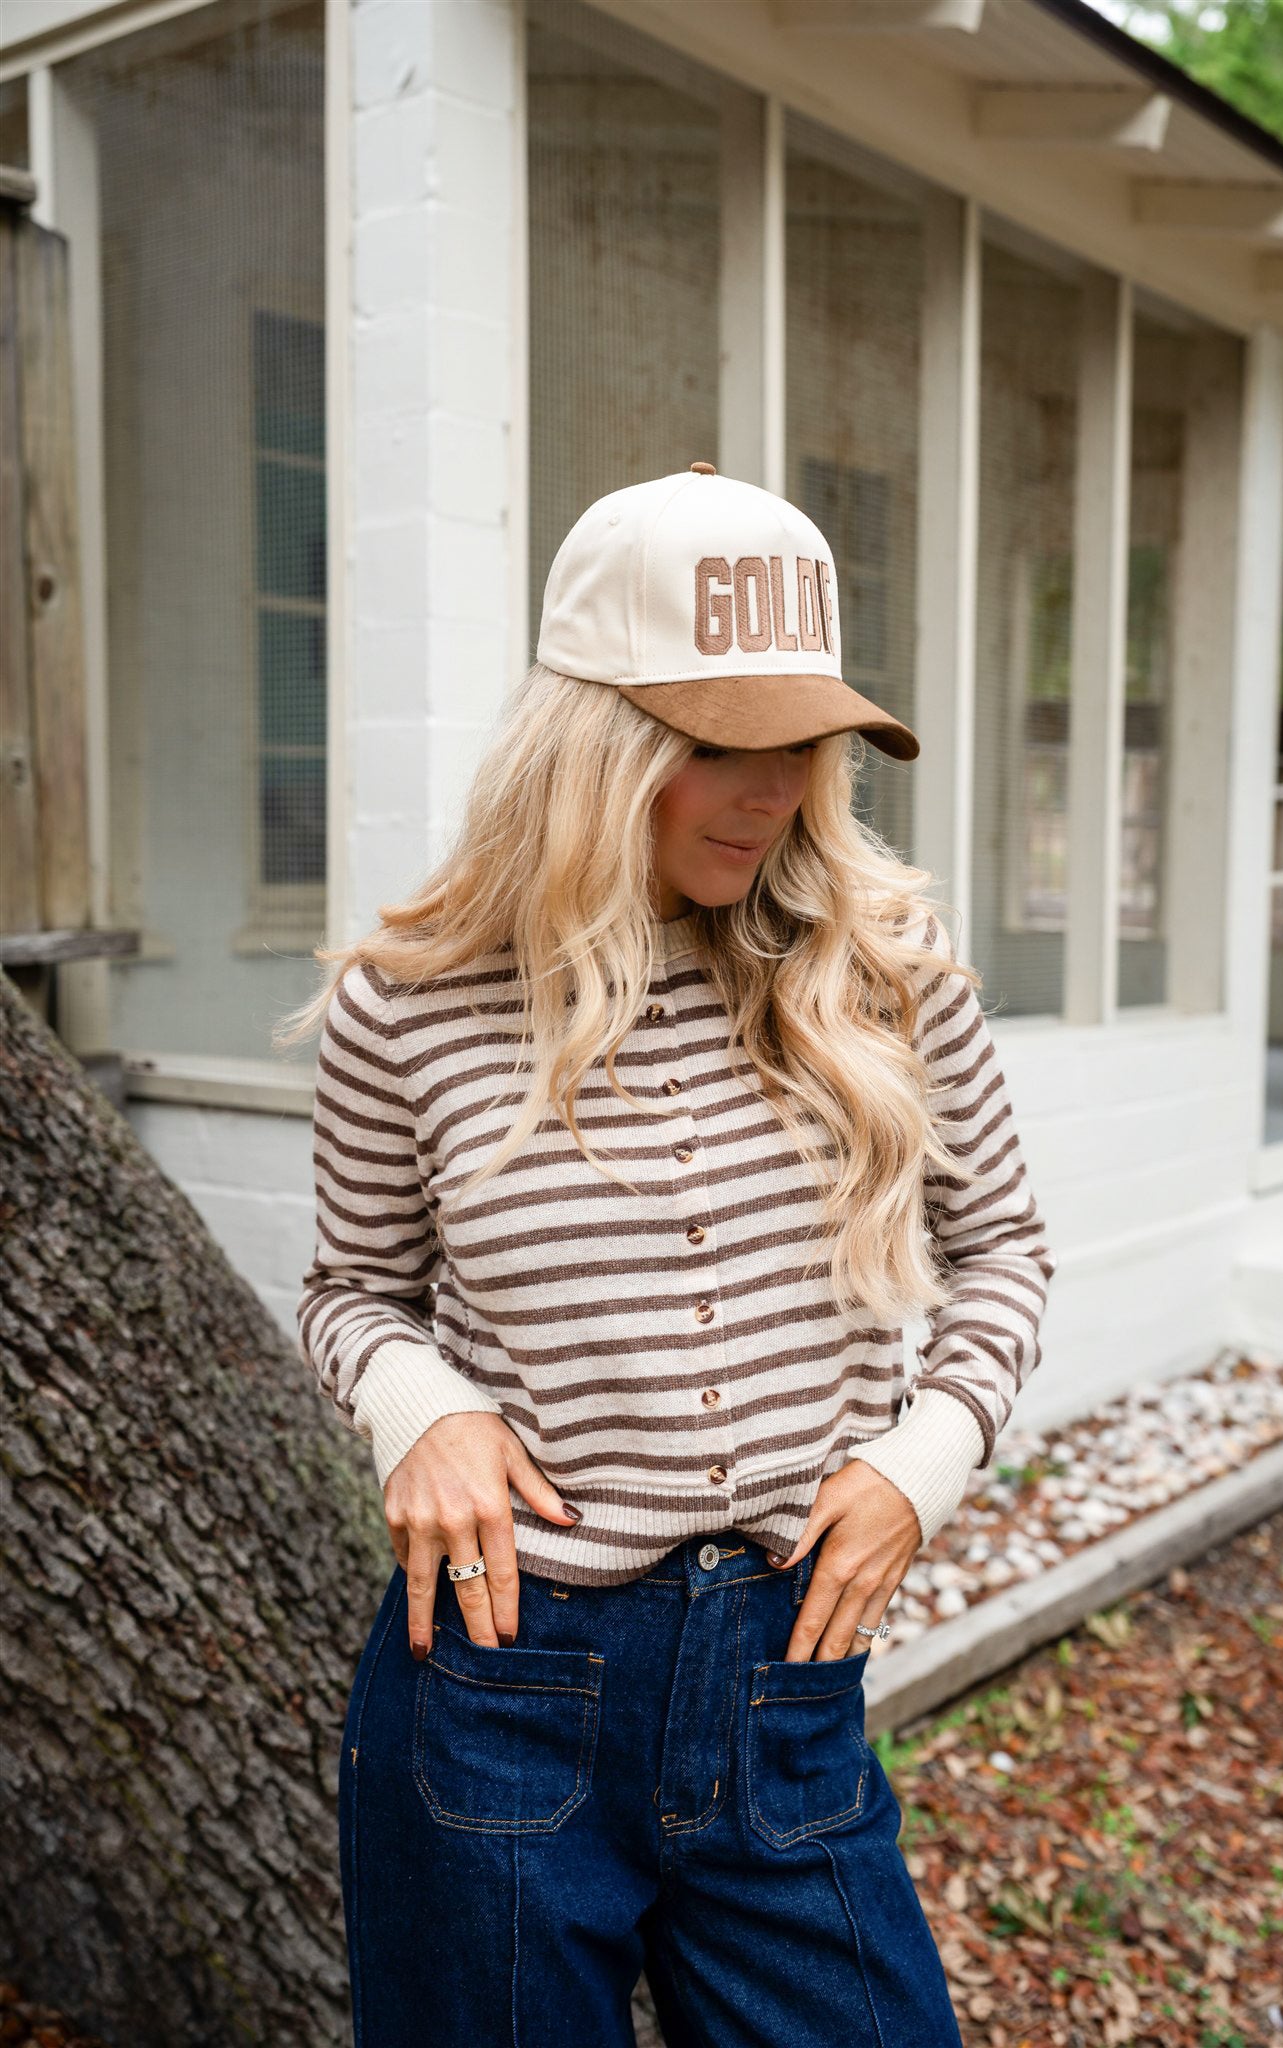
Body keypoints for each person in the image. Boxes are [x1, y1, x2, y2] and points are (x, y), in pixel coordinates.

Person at [281, 462, 1057, 2047]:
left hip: (783, 1681)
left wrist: (922, 1461)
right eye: (717, 747)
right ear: (594, 739)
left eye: (802, 745)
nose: (771, 793)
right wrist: (419, 1409)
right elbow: (351, 1290)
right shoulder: (408, 1008)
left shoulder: (889, 978)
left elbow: (1004, 1257)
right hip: (502, 1690)